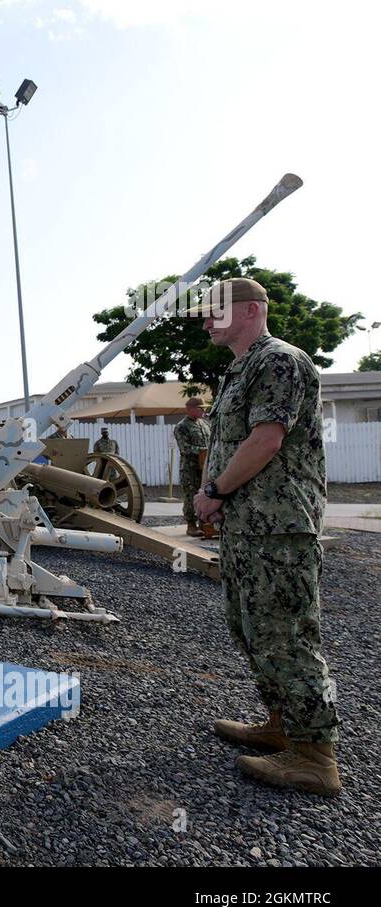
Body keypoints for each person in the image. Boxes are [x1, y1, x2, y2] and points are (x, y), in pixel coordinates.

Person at [188, 277, 340, 796]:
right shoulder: (240, 368)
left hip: (280, 526)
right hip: (251, 525)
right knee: (251, 628)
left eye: (214, 311)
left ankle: (316, 757)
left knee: (286, 634)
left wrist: (214, 490)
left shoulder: (279, 360)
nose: (206, 320)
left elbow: (266, 440)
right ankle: (283, 726)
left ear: (250, 311)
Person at [173, 397, 213, 538]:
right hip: (190, 469)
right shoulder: (181, 427)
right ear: (190, 409)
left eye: (204, 408)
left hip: (205, 467)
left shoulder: (205, 424)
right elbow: (185, 448)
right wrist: (204, 450)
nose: (204, 410)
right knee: (191, 496)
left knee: (206, 494)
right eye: (200, 408)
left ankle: (205, 524)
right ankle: (191, 525)